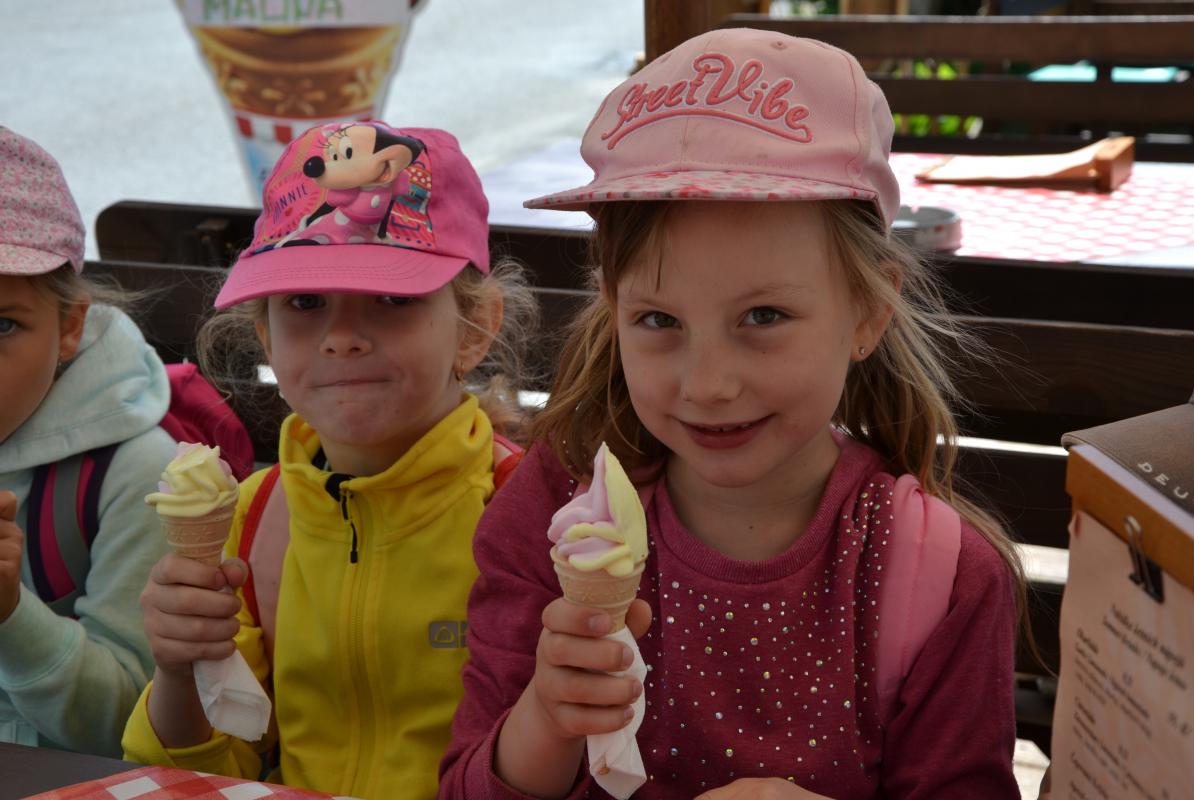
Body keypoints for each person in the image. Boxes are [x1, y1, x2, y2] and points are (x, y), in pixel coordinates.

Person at [439, 29, 1026, 800]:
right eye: (658, 320)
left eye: (763, 317)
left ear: (868, 311)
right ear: (613, 307)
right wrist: (547, 718)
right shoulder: (552, 516)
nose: (708, 384)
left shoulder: (941, 577)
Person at [122, 120, 536, 799]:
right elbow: (211, 770)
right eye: (305, 303)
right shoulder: (253, 516)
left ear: (475, 329)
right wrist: (178, 665)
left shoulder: (527, 515)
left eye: (393, 299)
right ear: (266, 337)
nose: (342, 337)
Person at [0, 127, 175, 756]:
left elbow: (130, 722)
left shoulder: (136, 475)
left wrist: (10, 614)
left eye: (2, 326)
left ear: (69, 327)